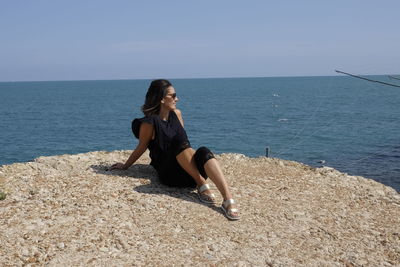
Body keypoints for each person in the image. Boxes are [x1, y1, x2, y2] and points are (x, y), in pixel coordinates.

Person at [110, 79, 239, 220]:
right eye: (172, 95)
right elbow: (141, 147)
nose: (177, 99)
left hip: (189, 173)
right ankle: (201, 183)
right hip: (170, 174)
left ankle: (227, 199)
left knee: (203, 151)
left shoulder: (177, 114)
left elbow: (185, 146)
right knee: (179, 142)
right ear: (161, 99)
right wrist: (125, 166)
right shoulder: (149, 123)